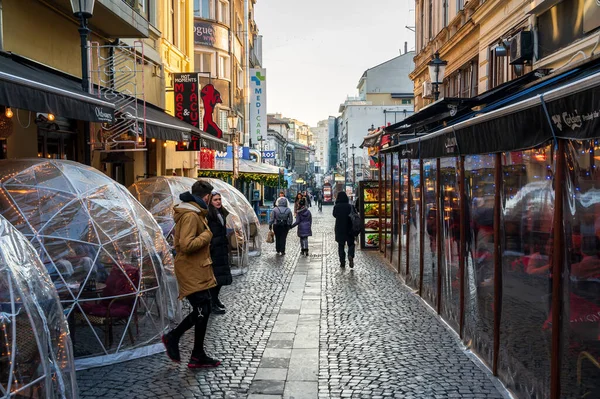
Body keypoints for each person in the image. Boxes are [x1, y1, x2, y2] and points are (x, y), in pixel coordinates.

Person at [162, 180, 220, 368]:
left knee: (204, 309)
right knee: (202, 309)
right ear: (206, 197)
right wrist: (207, 235)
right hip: (190, 269)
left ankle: (197, 354)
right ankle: (174, 338)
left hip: (197, 268)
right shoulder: (191, 216)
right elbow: (186, 245)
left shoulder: (195, 212)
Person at [206, 190, 233, 315]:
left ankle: (215, 299)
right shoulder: (209, 215)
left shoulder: (220, 213)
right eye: (215, 200)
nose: (218, 202)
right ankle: (212, 303)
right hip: (214, 250)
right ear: (210, 201)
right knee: (214, 279)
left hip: (221, 249)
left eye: (219, 199)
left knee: (220, 279)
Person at [333, 191, 356, 268]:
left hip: (340, 228)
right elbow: (354, 215)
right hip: (349, 228)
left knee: (341, 245)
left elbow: (334, 215)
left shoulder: (337, 206)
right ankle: (350, 255)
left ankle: (342, 262)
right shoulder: (350, 206)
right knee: (351, 244)